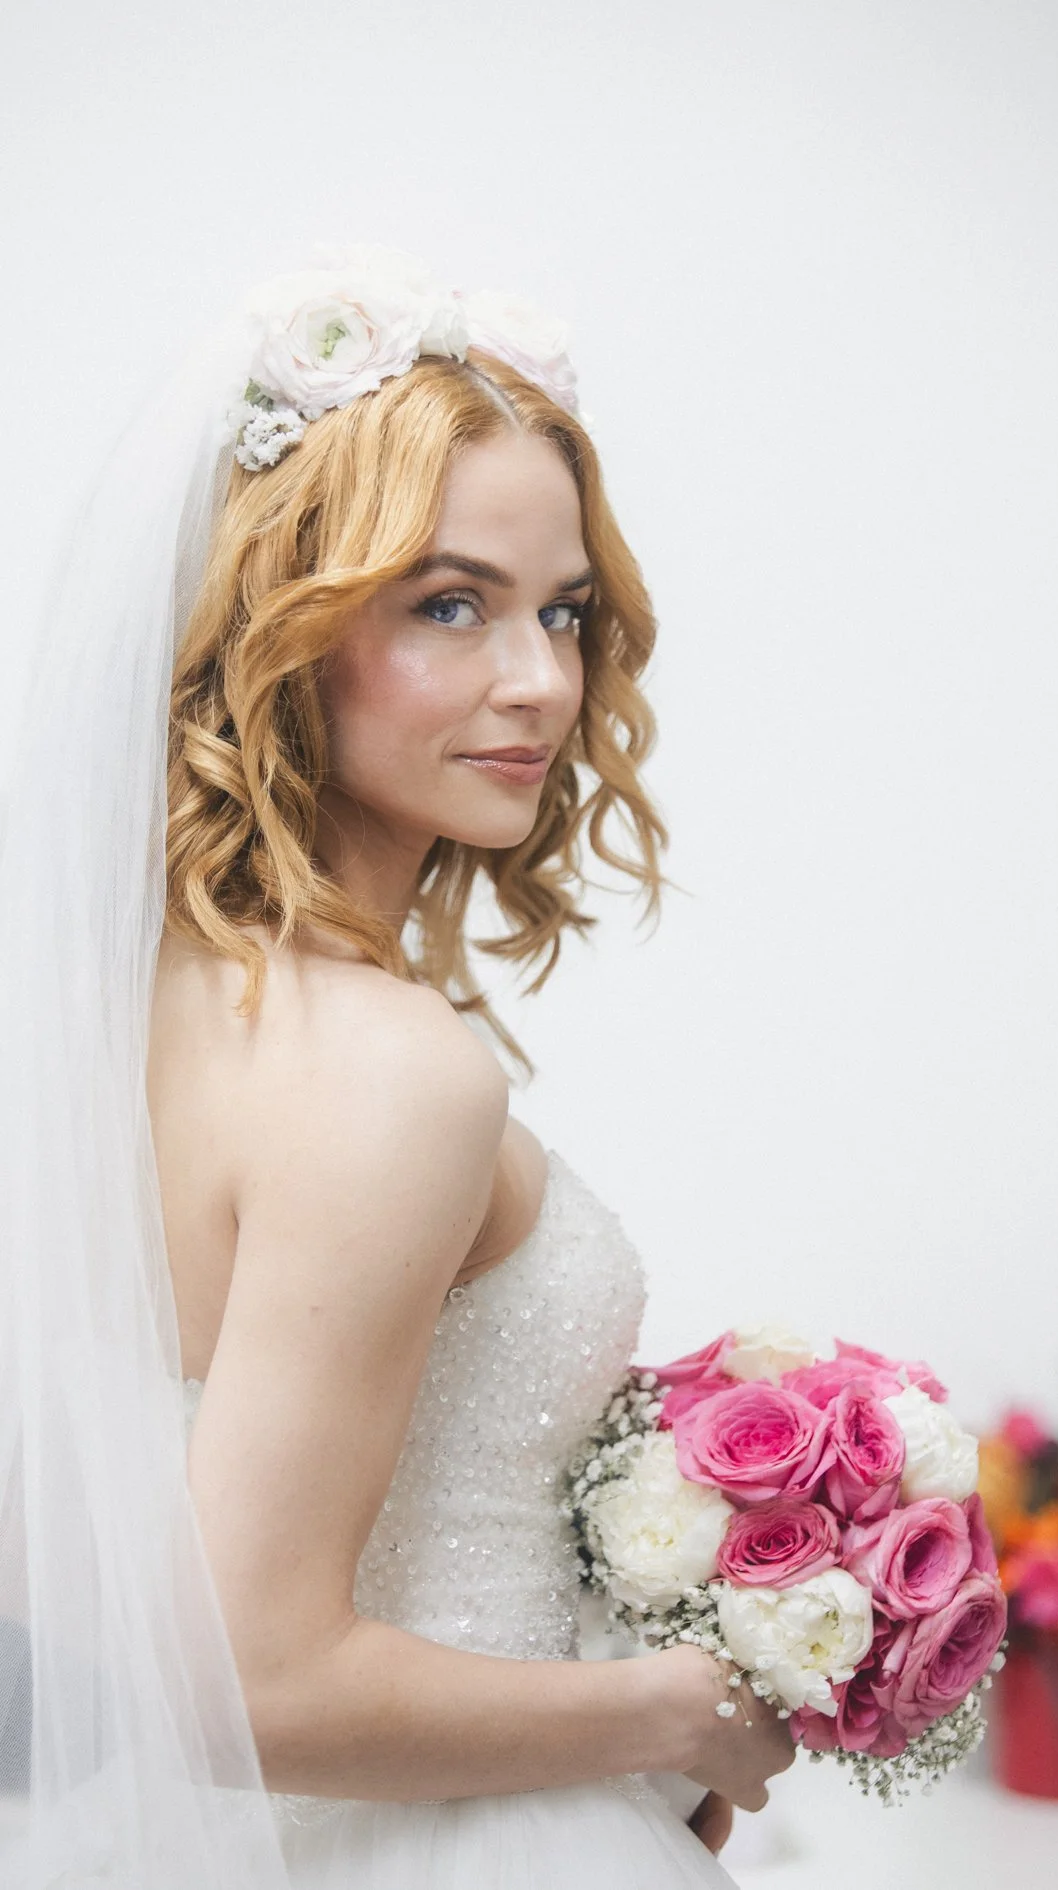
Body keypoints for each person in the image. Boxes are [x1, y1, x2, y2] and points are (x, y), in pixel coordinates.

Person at [0, 246, 794, 1888]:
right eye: (450, 603)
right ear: (281, 628)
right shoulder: (386, 1073)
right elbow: (256, 1680)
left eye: (562, 611)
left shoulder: (135, 1012)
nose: (545, 682)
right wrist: (676, 1710)